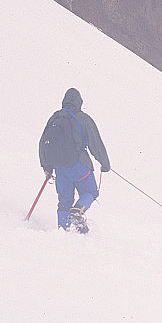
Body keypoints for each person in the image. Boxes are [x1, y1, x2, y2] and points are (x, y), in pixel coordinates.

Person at [39, 88, 110, 232]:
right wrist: (105, 163)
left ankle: (63, 232)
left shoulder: (54, 118)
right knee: (90, 192)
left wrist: (47, 167)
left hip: (59, 168)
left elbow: (43, 143)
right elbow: (95, 143)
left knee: (64, 202)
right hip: (78, 165)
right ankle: (78, 210)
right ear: (79, 102)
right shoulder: (83, 118)